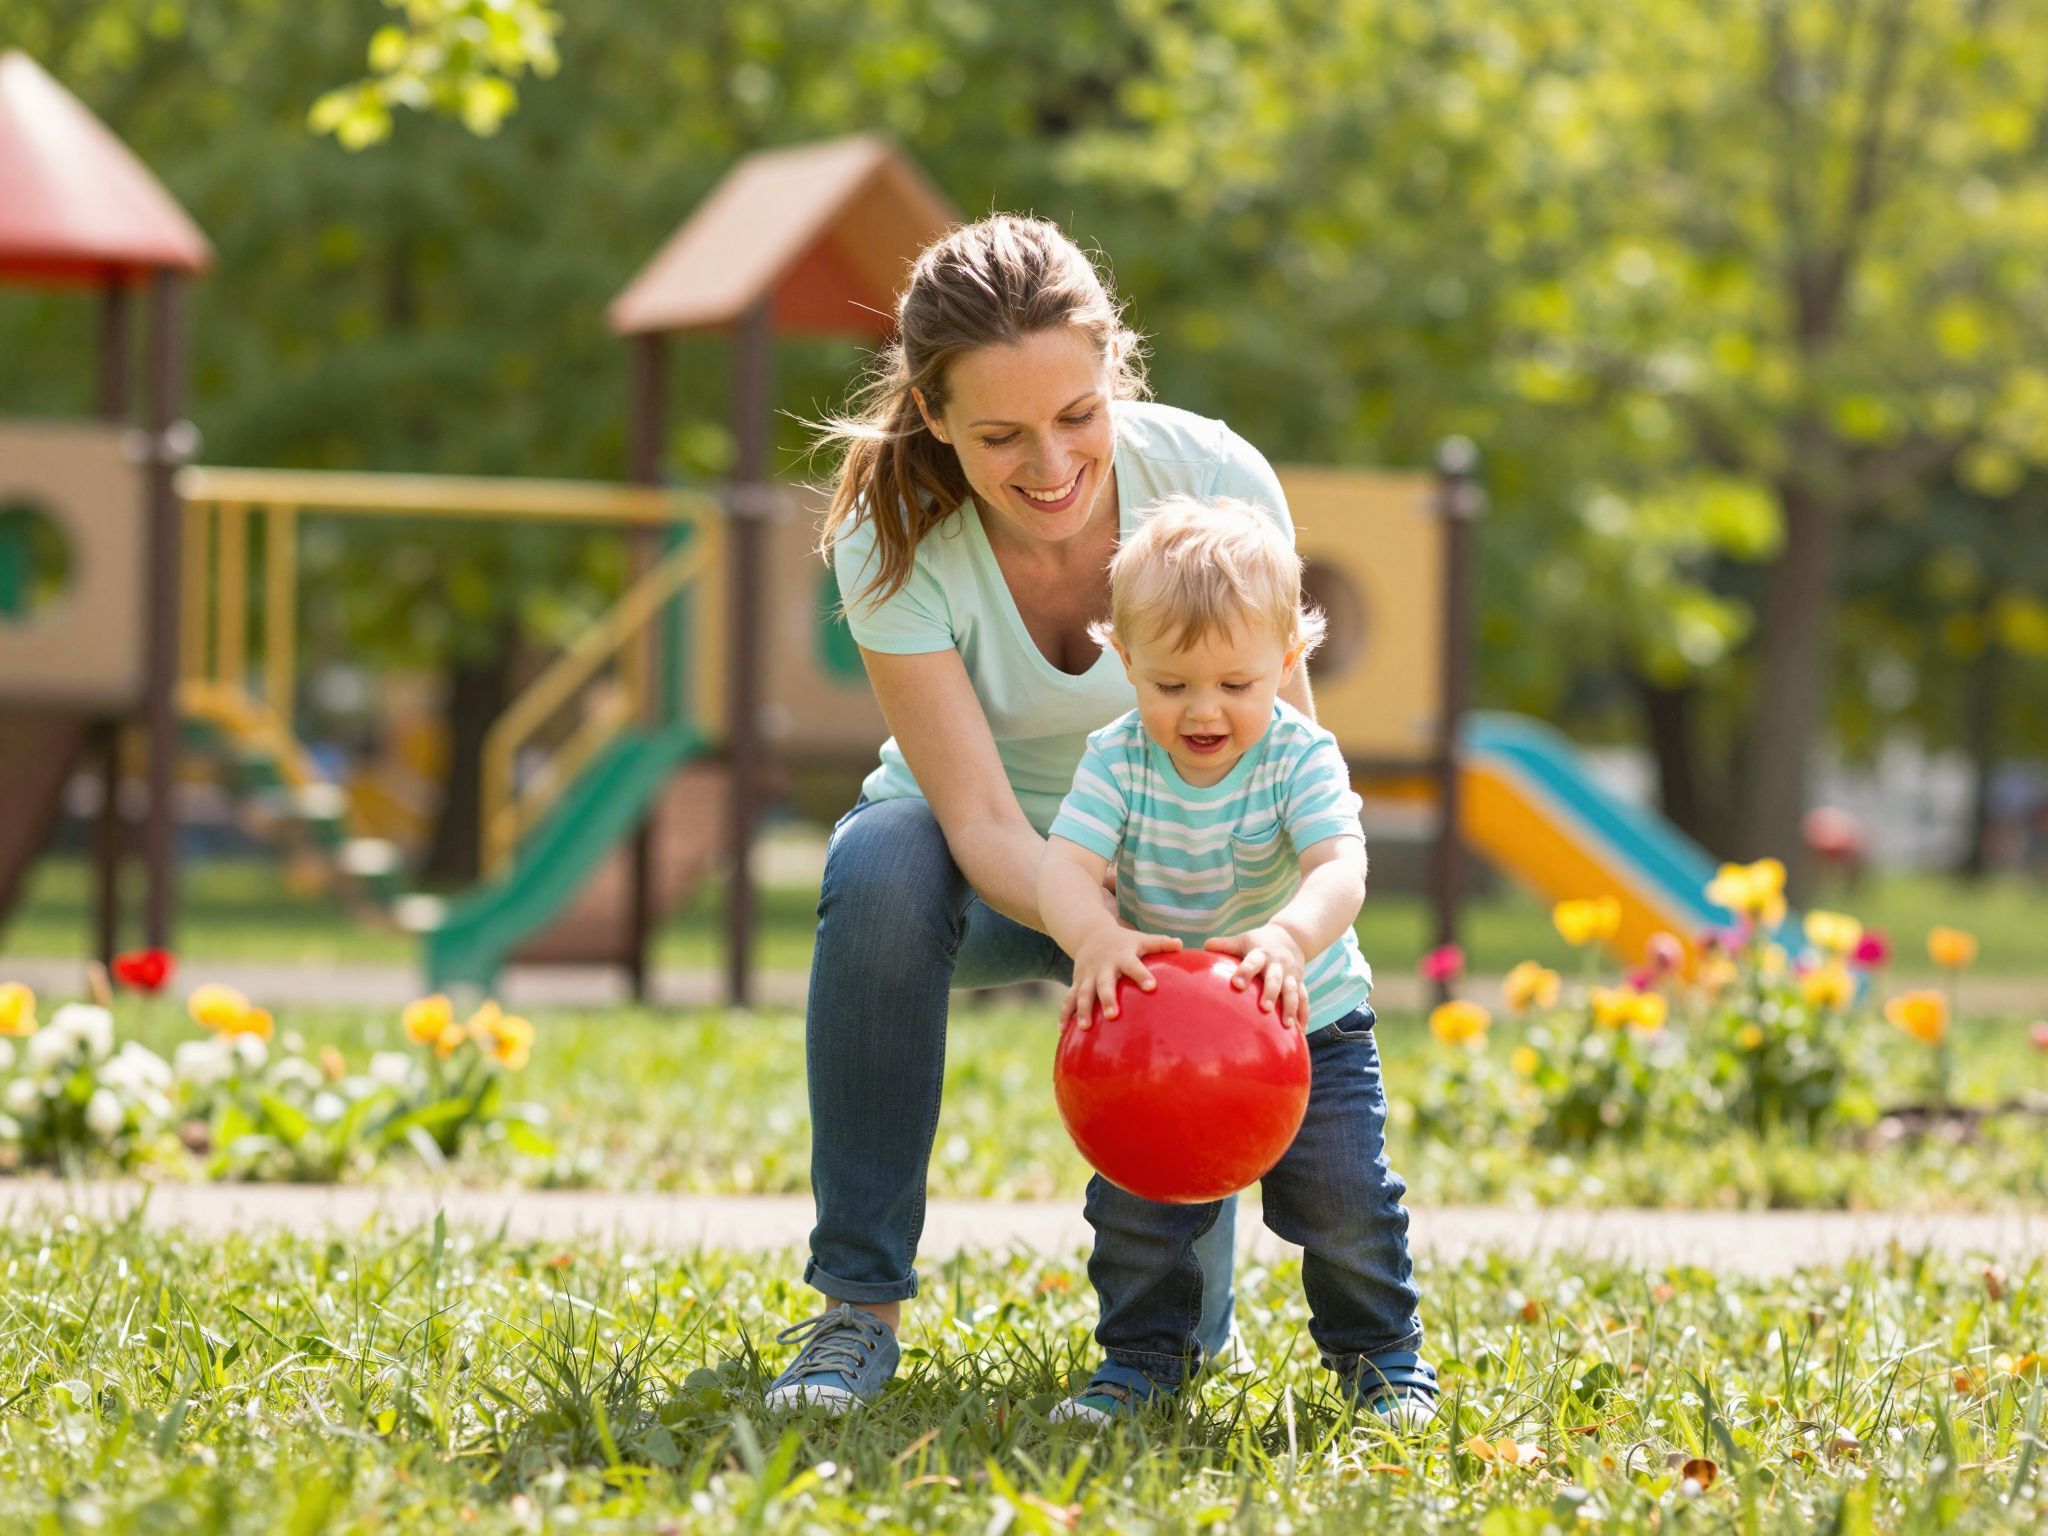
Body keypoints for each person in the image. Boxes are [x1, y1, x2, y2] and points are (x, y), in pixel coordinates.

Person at [765, 215, 1320, 1411]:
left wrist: (1215, 937)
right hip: (988, 876)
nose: (1051, 463)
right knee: (878, 859)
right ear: (931, 413)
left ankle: (1171, 1328)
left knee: (1187, 1345)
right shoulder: (889, 531)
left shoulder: (1215, 481)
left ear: (1112, 368)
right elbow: (970, 818)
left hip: (1184, 867)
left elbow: (1282, 763)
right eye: (999, 436)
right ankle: (855, 1311)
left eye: (1077, 415)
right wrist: (1095, 927)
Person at [1035, 496, 1436, 1427]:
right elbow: (1064, 866)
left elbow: (1340, 866)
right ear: (1126, 663)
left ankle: (1382, 1361)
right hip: (1156, 1040)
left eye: (1235, 683)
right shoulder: (1119, 760)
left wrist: (1288, 937)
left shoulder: (1300, 756)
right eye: (1171, 684)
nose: (1203, 709)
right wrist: (1094, 936)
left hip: (1312, 1023)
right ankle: (1140, 1362)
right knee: (1138, 1210)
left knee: (1344, 1200)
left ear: (1287, 662)